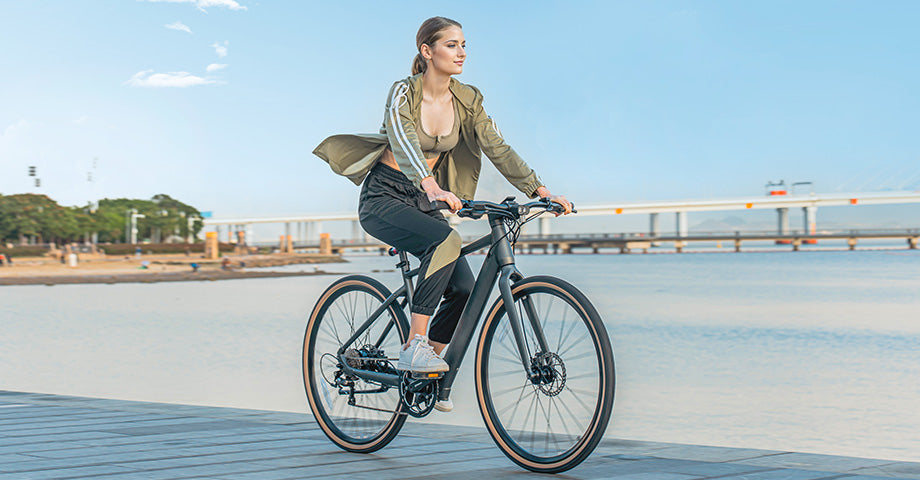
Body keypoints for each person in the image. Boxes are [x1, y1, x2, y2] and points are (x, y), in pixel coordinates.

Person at [314, 16, 572, 412]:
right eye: (451, 44)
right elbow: (400, 136)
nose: (461, 52)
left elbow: (496, 145)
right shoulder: (404, 92)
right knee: (447, 240)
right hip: (385, 196)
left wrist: (538, 189)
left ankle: (421, 375)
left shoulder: (468, 100)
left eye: (464, 44)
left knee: (464, 290)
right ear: (427, 51)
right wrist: (429, 182)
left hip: (426, 201)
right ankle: (415, 347)